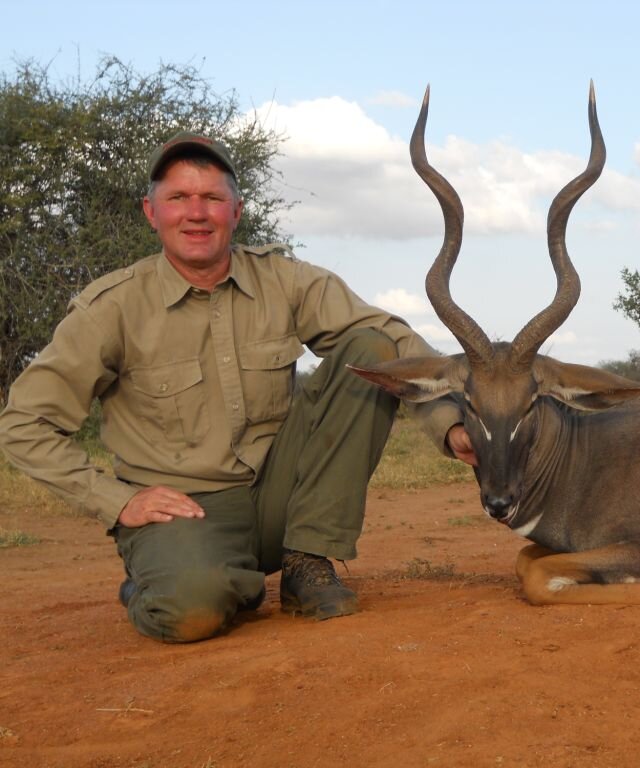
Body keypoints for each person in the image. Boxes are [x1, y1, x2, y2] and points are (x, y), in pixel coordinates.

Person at [0, 132, 477, 643]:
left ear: (237, 211)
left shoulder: (285, 279)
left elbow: (398, 342)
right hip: (187, 509)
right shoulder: (112, 307)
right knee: (191, 613)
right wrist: (116, 500)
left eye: (212, 198)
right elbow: (24, 424)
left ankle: (306, 562)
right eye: (178, 198)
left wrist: (452, 422)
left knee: (372, 345)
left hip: (283, 498)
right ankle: (166, 582)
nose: (196, 213)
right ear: (150, 212)